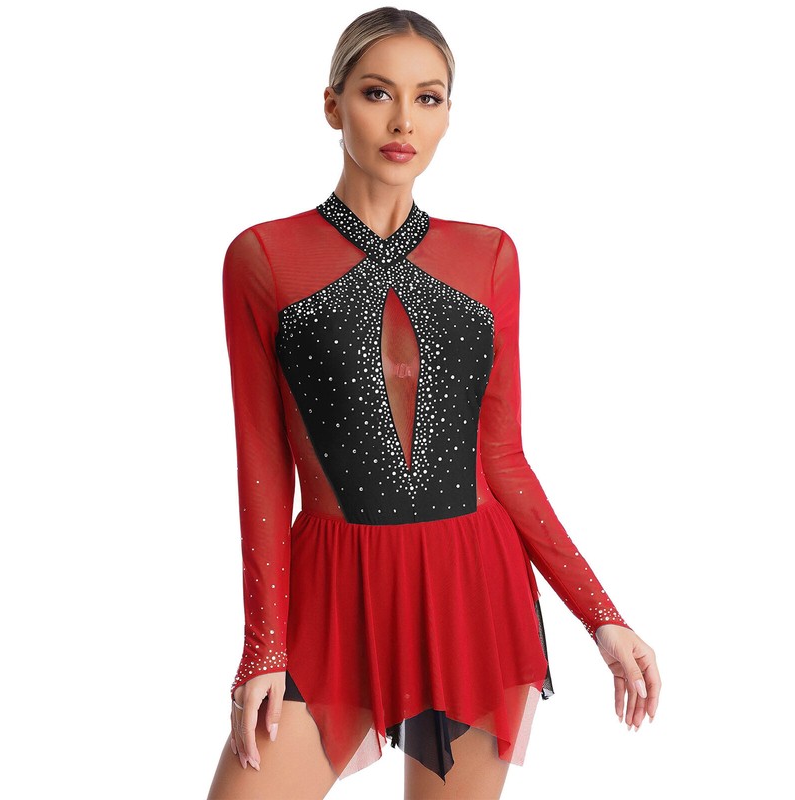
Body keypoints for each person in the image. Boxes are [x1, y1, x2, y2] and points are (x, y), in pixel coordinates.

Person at [207, 7, 661, 799]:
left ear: (449, 112)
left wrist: (602, 614)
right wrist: (263, 648)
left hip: (472, 594)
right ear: (333, 105)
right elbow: (263, 469)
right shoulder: (264, 257)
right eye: (377, 92)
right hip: (332, 597)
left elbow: (504, 460)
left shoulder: (489, 256)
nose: (403, 122)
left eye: (428, 97)